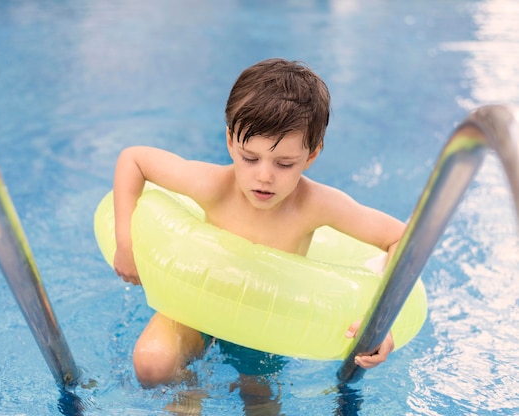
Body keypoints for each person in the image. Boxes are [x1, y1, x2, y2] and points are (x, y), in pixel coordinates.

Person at [112, 58, 402, 406]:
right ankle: (190, 394)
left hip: (265, 324)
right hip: (198, 302)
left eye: (284, 164)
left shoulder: (316, 204)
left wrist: (380, 325)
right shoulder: (213, 185)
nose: (264, 176)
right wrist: (125, 243)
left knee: (258, 396)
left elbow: (401, 238)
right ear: (231, 142)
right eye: (250, 158)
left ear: (311, 156)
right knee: (151, 363)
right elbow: (134, 159)